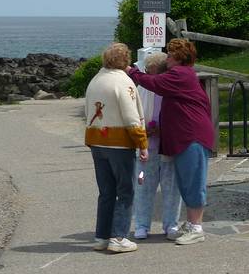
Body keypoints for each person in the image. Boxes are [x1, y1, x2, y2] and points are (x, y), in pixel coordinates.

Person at [129, 38, 214, 245]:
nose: (167, 58)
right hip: (187, 136)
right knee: (186, 182)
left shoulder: (179, 74)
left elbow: (153, 83)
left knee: (193, 182)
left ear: (178, 57)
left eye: (169, 55)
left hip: (191, 136)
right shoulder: (185, 74)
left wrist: (132, 72)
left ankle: (196, 228)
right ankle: (192, 224)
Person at [84, 42, 148, 253]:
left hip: (97, 140)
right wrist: (142, 143)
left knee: (106, 192)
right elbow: (131, 118)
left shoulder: (95, 81)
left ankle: (102, 236)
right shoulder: (123, 82)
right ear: (125, 61)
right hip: (119, 143)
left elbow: (87, 111)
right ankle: (119, 237)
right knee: (125, 190)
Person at [132, 51, 182, 240]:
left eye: (154, 73)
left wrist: (163, 130)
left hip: (168, 145)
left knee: (171, 186)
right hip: (147, 147)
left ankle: (171, 224)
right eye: (149, 72)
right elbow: (135, 112)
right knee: (143, 183)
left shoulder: (170, 88)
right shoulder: (143, 88)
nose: (151, 77)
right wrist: (142, 128)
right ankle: (142, 224)